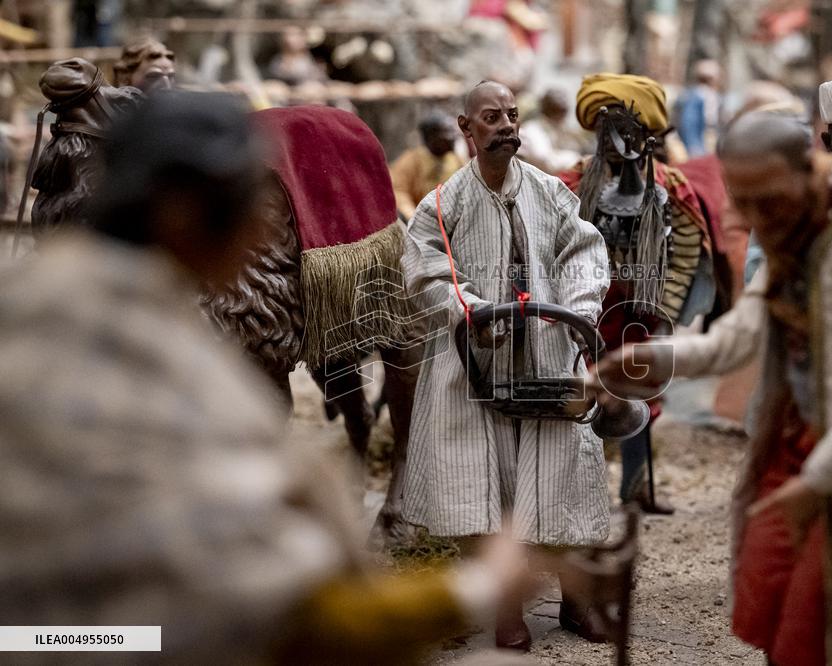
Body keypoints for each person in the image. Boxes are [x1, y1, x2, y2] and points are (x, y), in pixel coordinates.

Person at [0, 91, 535, 665]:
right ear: (185, 215)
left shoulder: (29, 302)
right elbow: (299, 617)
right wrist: (479, 587)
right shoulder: (175, 373)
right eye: (248, 210)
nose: (260, 231)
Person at [590, 112, 832, 666]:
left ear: (811, 167)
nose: (759, 218)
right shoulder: (790, 226)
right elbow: (740, 337)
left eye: (769, 200)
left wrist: (822, 477)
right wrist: (651, 359)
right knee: (784, 625)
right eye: (745, 203)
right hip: (793, 457)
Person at [401, 80, 611, 651]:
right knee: (483, 482)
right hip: (474, 361)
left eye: (512, 115)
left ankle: (576, 599)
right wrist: (472, 311)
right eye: (491, 117)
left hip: (548, 353)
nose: (506, 125)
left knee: (566, 470)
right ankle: (507, 607)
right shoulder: (441, 204)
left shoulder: (549, 192)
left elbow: (585, 254)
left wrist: (573, 310)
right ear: (466, 130)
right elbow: (427, 272)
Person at [561, 73, 716, 513]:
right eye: (607, 130)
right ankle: (579, 489)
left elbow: (687, 248)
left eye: (627, 132)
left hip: (645, 311)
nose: (616, 141)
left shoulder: (672, 187)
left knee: (645, 392)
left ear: (647, 136)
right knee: (582, 390)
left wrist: (664, 308)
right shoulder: (569, 184)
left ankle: (637, 484)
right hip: (586, 311)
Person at [390, 110, 464, 220]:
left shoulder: (457, 161)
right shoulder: (410, 162)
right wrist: (415, 218)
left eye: (453, 131)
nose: (453, 137)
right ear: (431, 136)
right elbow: (399, 192)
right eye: (447, 132)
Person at [517, 88, 587, 174]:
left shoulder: (563, 129)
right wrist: (576, 158)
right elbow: (546, 162)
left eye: (563, 110)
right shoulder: (532, 129)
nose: (561, 116)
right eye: (557, 110)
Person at [676, 59, 723, 157]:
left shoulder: (712, 95)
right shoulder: (697, 96)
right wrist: (694, 147)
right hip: (699, 146)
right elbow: (689, 123)